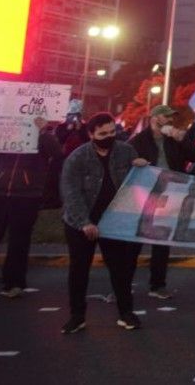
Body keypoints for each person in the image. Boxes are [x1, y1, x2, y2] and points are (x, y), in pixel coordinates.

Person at [59, 112, 146, 334]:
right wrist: (85, 223)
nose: (109, 136)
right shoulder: (77, 158)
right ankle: (77, 316)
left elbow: (135, 184)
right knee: (79, 269)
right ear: (91, 134)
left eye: (112, 132)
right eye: (103, 133)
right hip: (81, 222)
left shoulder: (125, 151)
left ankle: (126, 312)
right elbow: (71, 194)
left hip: (113, 222)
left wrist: (139, 166)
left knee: (120, 269)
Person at [126, 104, 195, 299]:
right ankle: (123, 285)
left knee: (162, 240)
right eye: (167, 117)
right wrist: (135, 162)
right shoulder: (139, 140)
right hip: (144, 195)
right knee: (134, 242)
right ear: (155, 118)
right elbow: (125, 161)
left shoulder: (173, 140)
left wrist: (182, 139)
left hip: (170, 195)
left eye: (171, 117)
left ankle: (157, 285)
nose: (170, 120)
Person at [0, 116, 59, 298]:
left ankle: (14, 282)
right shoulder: (7, 130)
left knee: (19, 241)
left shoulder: (43, 135)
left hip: (26, 195)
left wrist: (43, 131)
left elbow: (56, 152)